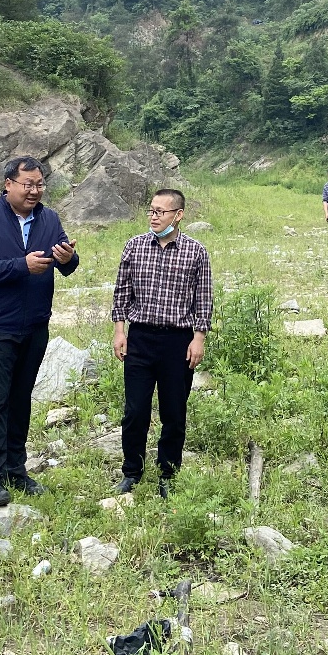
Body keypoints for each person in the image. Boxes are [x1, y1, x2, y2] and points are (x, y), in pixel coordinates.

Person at [0, 156, 79, 508]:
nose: (34, 190)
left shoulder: (50, 218)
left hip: (35, 324)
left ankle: (16, 468)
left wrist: (68, 257)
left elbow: (69, 267)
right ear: (8, 184)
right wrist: (21, 266)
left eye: (39, 184)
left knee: (21, 399)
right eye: (27, 184)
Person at [111, 188, 213, 497]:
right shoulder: (135, 247)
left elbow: (203, 298)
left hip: (177, 342)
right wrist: (119, 331)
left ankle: (168, 473)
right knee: (135, 410)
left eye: (161, 212)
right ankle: (132, 471)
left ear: (178, 215)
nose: (154, 217)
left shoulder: (196, 252)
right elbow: (122, 292)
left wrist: (198, 337)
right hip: (140, 338)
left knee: (173, 411)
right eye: (151, 211)